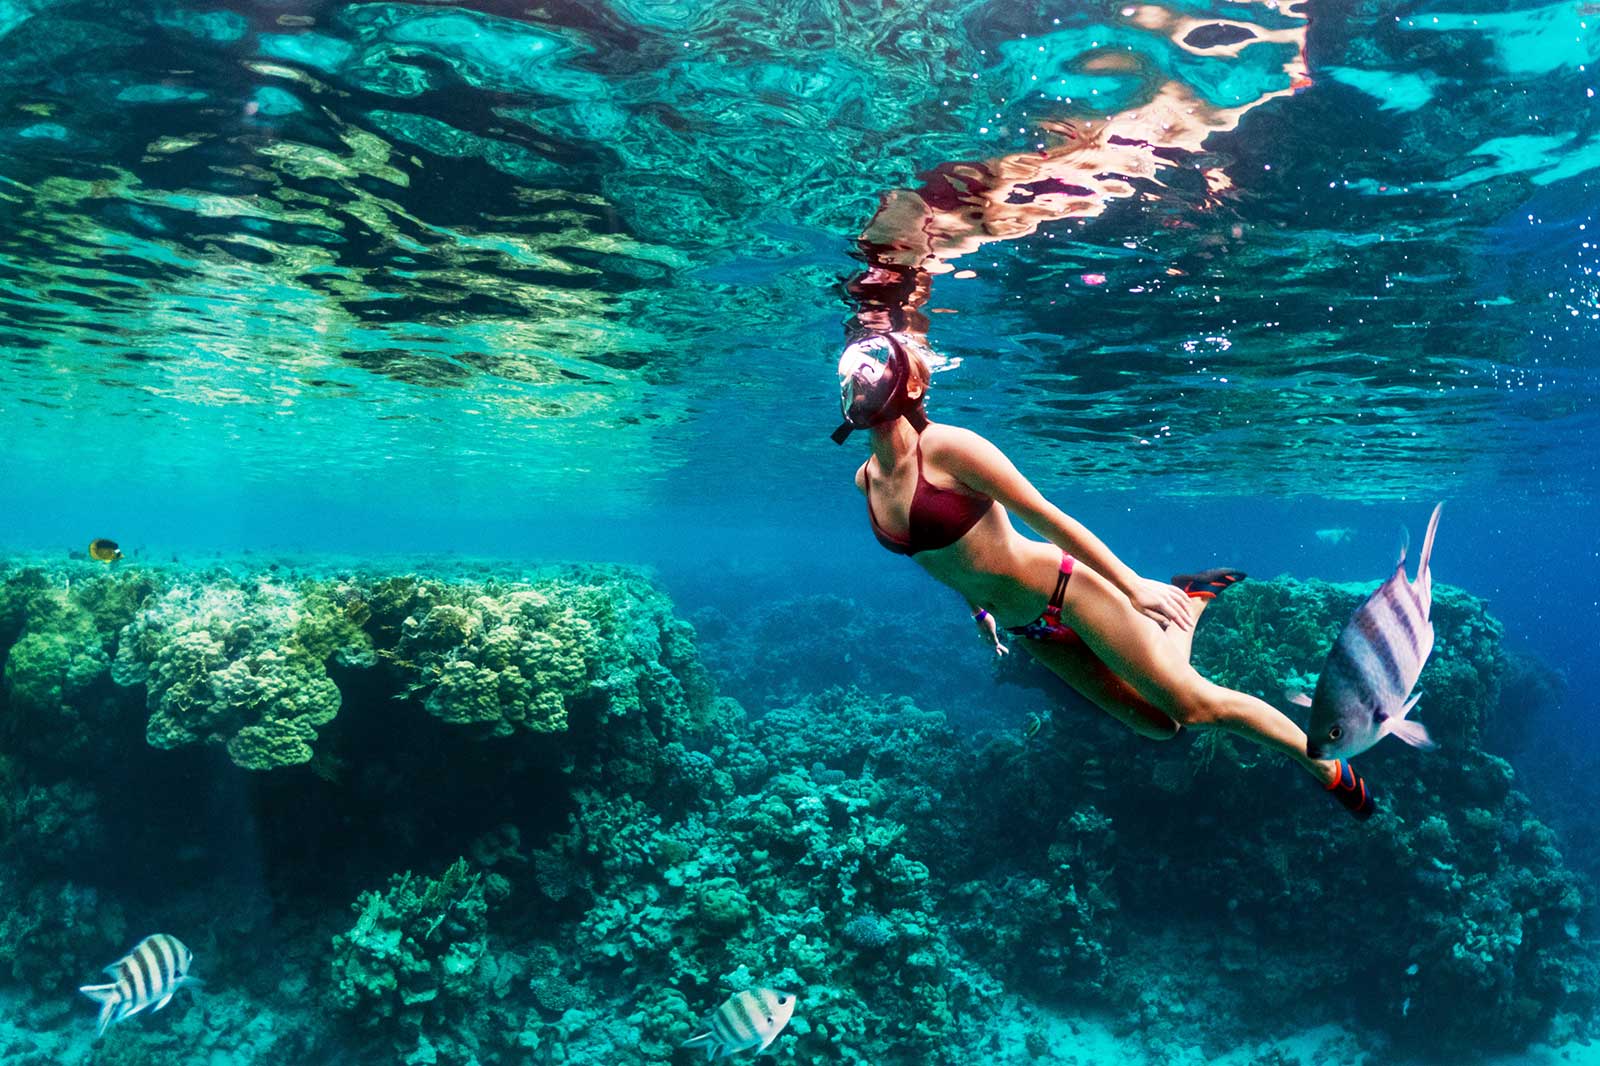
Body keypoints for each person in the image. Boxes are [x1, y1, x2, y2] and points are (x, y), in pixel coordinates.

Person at [834, 333, 1375, 820]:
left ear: (909, 380)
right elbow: (946, 564)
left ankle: (1322, 764)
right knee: (1159, 726)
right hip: (1030, 631)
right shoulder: (866, 481)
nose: (860, 376)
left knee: (1192, 704)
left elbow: (1048, 517)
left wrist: (1131, 585)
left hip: (1066, 590)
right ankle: (1192, 597)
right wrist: (980, 613)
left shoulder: (951, 449)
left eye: (874, 366)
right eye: (854, 371)